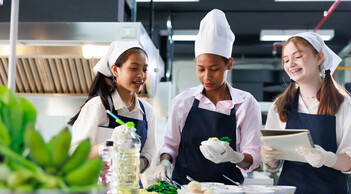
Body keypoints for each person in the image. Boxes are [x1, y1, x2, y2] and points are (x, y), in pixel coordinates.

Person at [153, 9, 262, 185]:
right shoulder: (183, 101)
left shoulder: (246, 103)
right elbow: (170, 145)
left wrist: (235, 156)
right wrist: (165, 161)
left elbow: (254, 157)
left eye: (214, 69)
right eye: (201, 69)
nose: (207, 77)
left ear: (229, 64)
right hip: (184, 190)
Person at [261, 32, 351, 194]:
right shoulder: (281, 105)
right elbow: (274, 165)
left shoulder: (343, 104)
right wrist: (270, 159)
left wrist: (327, 158)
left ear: (319, 57)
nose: (291, 64)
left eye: (297, 56)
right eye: (286, 60)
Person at [68, 41, 157, 176]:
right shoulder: (99, 106)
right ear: (115, 69)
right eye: (134, 68)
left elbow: (149, 152)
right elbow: (74, 154)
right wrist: (109, 145)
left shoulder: (146, 111)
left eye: (145, 69)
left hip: (131, 188)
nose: (141, 75)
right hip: (98, 190)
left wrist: (135, 164)